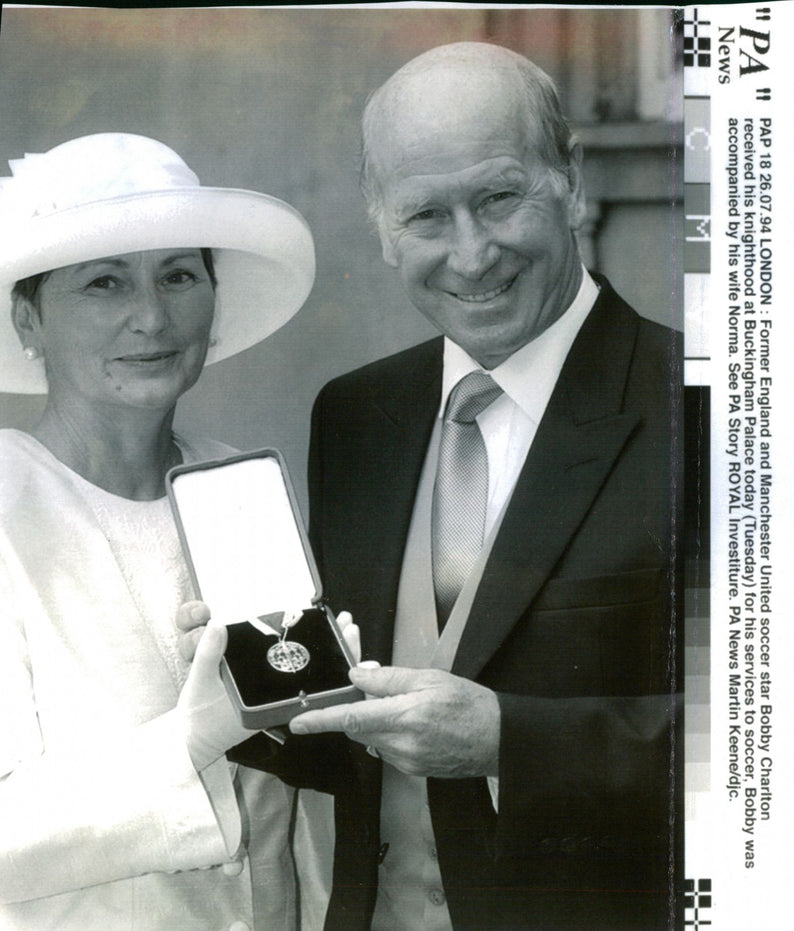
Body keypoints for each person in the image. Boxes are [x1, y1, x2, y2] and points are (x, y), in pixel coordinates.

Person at [188, 41, 683, 931]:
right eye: (426, 215)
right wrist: (255, 679)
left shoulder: (712, 415)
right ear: (381, 225)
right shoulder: (357, 416)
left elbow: (772, 755)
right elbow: (357, 744)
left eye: (499, 196)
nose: (471, 253)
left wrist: (507, 740)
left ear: (568, 178)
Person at [0, 132, 331, 931]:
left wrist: (325, 706)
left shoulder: (244, 489)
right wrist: (192, 736)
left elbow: (296, 807)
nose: (151, 317)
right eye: (103, 283)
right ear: (28, 319)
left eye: (179, 275)